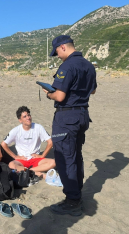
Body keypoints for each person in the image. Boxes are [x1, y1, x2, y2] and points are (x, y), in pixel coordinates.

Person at [43, 35, 97, 216]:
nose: (57, 55)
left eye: (57, 51)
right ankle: (77, 193)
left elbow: (59, 96)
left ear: (63, 47)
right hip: (82, 114)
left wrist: (48, 93)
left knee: (66, 158)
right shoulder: (89, 65)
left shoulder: (67, 66)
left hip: (67, 117)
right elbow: (93, 89)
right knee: (76, 155)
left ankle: (72, 200)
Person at [1, 106, 55, 178]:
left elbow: (50, 142)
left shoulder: (38, 127)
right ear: (20, 120)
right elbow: (3, 144)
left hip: (36, 159)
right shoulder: (16, 130)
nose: (28, 118)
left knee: (53, 162)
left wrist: (42, 155)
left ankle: (30, 171)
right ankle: (37, 173)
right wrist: (15, 156)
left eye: (28, 115)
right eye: (25, 116)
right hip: (22, 160)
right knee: (11, 165)